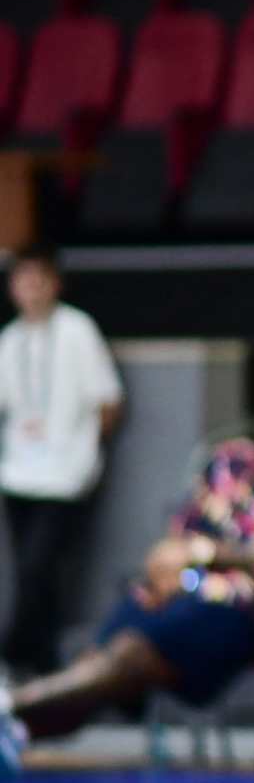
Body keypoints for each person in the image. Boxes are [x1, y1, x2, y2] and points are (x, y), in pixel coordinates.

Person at [0, 346, 254, 773]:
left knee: (127, 659)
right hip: (178, 590)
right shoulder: (231, 456)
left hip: (242, 606)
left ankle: (12, 706)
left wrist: (204, 555)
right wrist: (171, 559)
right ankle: (14, 726)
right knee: (103, 661)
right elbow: (179, 537)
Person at [0, 244, 124, 677]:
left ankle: (16, 647)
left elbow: (108, 401)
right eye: (23, 281)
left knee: (41, 563)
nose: (31, 290)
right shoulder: (11, 338)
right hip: (18, 472)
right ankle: (42, 658)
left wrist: (86, 450)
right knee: (33, 570)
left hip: (66, 473)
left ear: (54, 283)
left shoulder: (77, 329)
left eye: (39, 280)